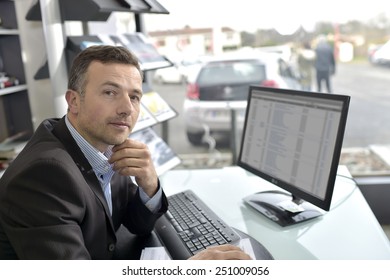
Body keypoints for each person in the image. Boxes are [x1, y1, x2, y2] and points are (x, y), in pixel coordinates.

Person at [0, 45, 250, 260]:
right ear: (74, 101)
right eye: (110, 92)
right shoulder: (45, 173)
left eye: (134, 96)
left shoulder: (102, 142)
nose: (126, 109)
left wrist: (149, 184)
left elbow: (137, 224)